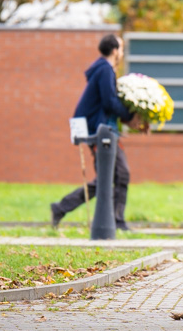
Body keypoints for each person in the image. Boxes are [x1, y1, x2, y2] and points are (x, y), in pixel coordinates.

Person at [51, 34, 143, 231]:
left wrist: (127, 117)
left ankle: (61, 208)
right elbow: (110, 102)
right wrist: (130, 116)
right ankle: (117, 221)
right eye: (122, 48)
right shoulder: (104, 70)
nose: (123, 52)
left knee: (109, 177)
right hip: (102, 133)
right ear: (115, 50)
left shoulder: (104, 70)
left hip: (105, 131)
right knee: (119, 175)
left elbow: (108, 103)